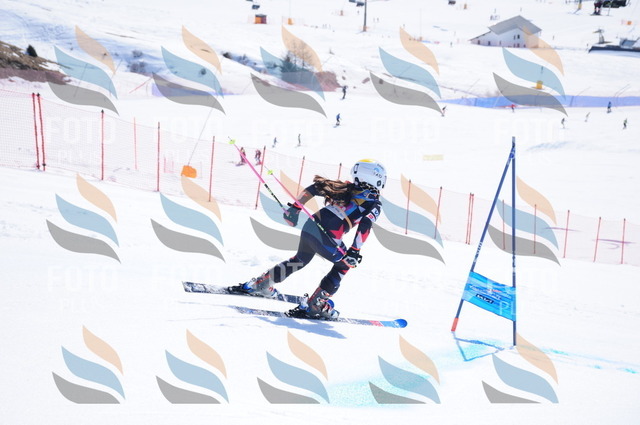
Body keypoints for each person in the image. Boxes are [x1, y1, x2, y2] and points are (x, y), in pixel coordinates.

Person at [231, 159, 387, 320]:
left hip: (311, 226)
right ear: (376, 177)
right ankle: (316, 305)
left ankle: (262, 284)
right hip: (327, 235)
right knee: (344, 265)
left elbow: (314, 188)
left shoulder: (345, 187)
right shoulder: (373, 202)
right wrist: (354, 250)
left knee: (300, 260)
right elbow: (366, 224)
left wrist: (295, 209)